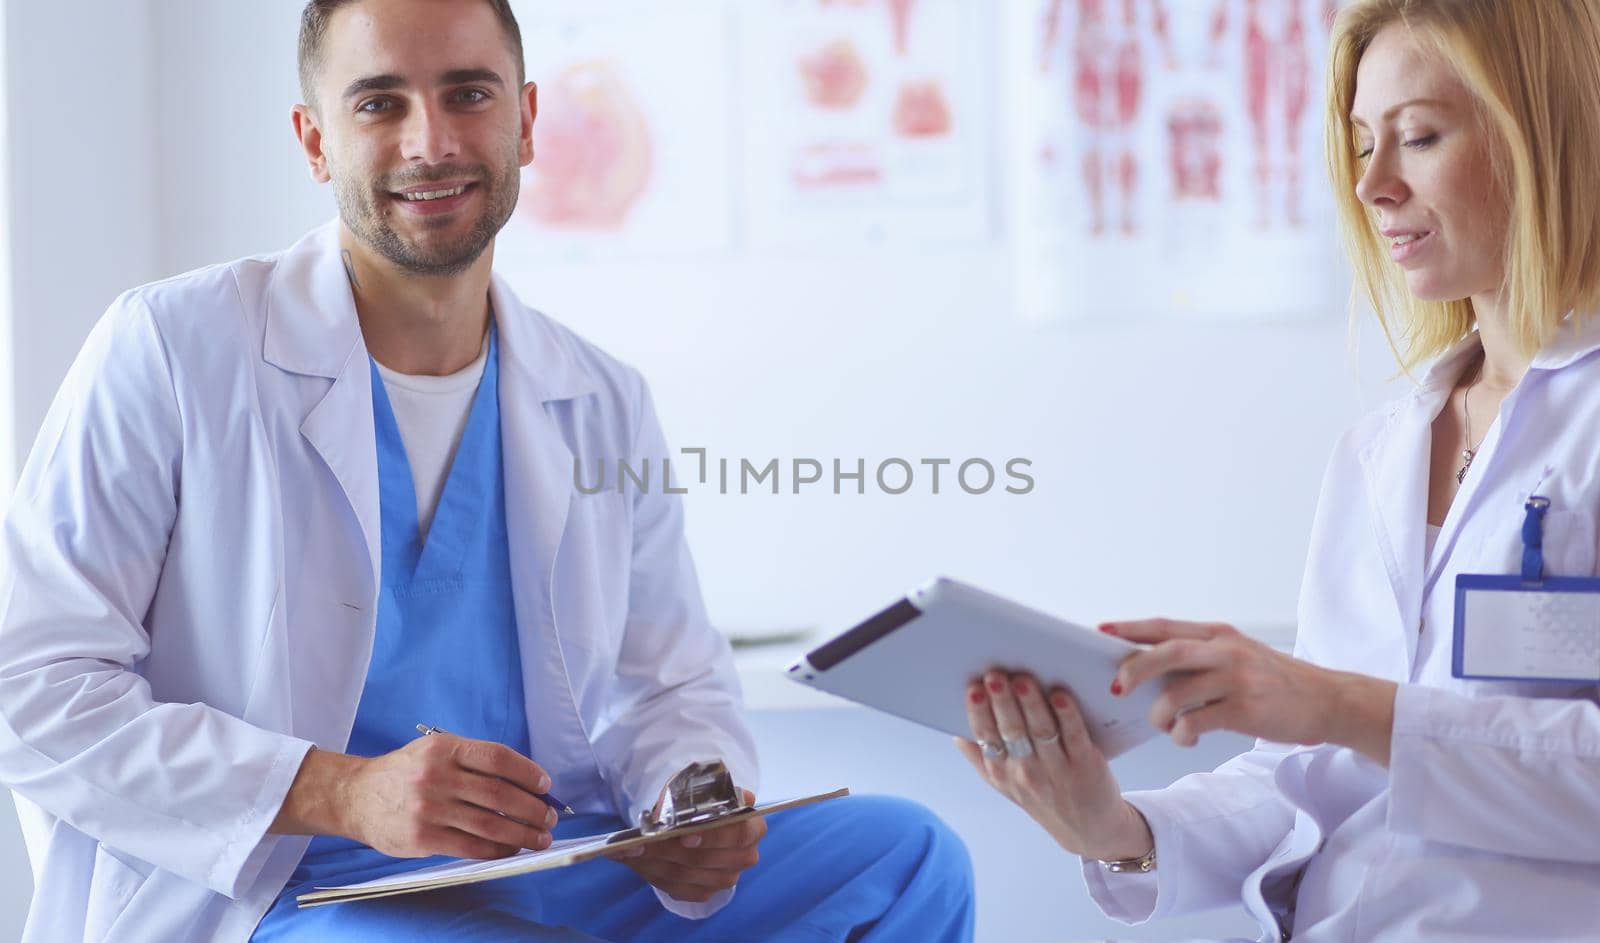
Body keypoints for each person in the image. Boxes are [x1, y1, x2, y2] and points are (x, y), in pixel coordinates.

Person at [0, 1, 974, 941]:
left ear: (527, 120)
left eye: (468, 93)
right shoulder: (175, 347)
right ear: (313, 141)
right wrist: (341, 790)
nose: (432, 142)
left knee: (906, 855)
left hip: (548, 864)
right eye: (379, 102)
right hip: (290, 889)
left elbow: (669, 683)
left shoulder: (597, 395)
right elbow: (30, 684)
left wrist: (687, 799)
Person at [959, 1, 1600, 939]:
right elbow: (1314, 775)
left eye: (1418, 137)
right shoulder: (1383, 449)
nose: (1373, 185)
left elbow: (1356, 724)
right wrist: (1115, 827)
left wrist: (1336, 702)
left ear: (1548, 135)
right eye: (1361, 143)